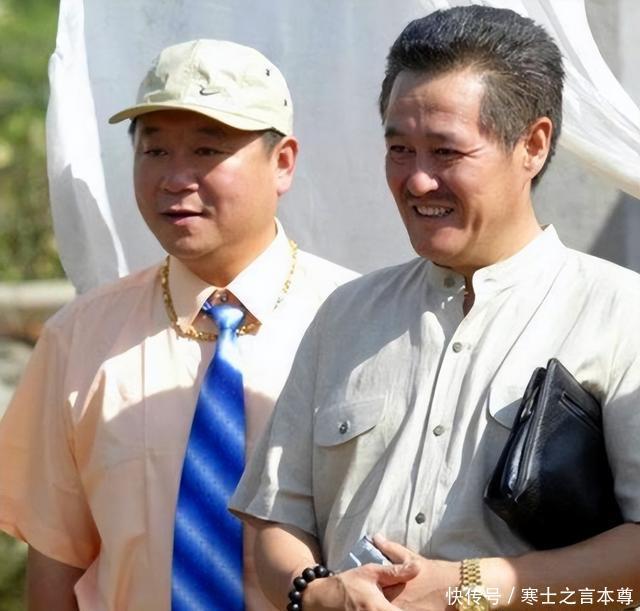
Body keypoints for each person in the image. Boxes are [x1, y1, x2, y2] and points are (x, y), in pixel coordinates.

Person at [230, 6, 640, 610]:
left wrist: (466, 587)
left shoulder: (622, 314)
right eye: (400, 149)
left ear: (532, 145)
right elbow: (276, 519)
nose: (418, 180)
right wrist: (318, 594)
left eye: (446, 152)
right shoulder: (346, 315)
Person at [0, 39, 356, 611]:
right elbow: (56, 562)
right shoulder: (80, 339)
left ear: (283, 162)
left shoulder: (359, 323)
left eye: (207, 149)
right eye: (155, 150)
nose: (174, 178)